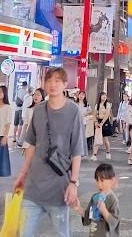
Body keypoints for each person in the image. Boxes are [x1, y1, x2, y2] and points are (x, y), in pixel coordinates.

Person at [14, 66, 84, 237]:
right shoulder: (38, 110)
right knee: (24, 233)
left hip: (59, 188)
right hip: (33, 186)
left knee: (62, 234)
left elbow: (77, 150)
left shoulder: (73, 111)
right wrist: (23, 173)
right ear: (44, 84)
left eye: (57, 81)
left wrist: (73, 183)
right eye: (49, 81)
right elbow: (31, 144)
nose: (53, 84)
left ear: (65, 84)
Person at [75, 162, 121, 236]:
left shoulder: (112, 200)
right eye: (97, 180)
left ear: (111, 181)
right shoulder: (95, 198)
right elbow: (88, 217)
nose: (99, 184)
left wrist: (104, 211)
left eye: (102, 180)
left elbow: (114, 222)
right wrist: (78, 208)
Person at [92, 92, 113, 162]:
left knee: (105, 139)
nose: (104, 97)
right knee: (97, 139)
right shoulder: (97, 105)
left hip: (105, 122)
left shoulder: (107, 104)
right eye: (103, 95)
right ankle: (94, 155)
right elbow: (94, 115)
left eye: (105, 96)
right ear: (100, 96)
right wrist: (95, 122)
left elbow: (107, 114)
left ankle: (108, 152)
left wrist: (102, 123)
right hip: (98, 122)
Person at [76, 91, 95, 156]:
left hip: (84, 122)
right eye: (80, 94)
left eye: (83, 95)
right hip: (76, 122)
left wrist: (85, 113)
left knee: (83, 136)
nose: (81, 96)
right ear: (78, 95)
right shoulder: (75, 103)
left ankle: (83, 150)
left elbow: (90, 111)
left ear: (84, 96)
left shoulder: (86, 104)